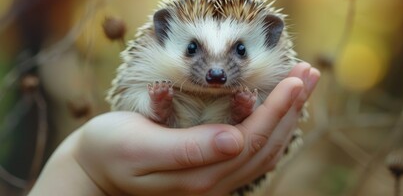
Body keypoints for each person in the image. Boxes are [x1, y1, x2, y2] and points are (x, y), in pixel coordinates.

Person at [28, 63, 320, 196]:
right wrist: (86, 169)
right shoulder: (152, 74)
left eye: (239, 51)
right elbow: (131, 104)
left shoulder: (262, 79)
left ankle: (239, 112)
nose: (216, 71)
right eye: (193, 50)